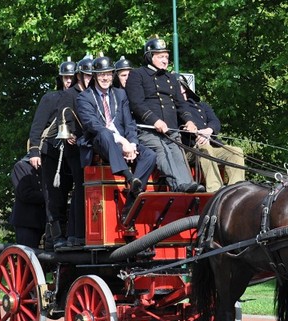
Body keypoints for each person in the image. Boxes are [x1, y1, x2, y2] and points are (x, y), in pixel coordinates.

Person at [77, 55, 156, 221]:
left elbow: (129, 123)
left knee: (150, 155)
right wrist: (122, 141)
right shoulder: (84, 97)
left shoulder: (120, 95)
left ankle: (133, 198)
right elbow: (93, 125)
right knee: (105, 133)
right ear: (95, 76)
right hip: (99, 143)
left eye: (108, 74)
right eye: (101, 74)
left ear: (112, 75)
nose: (105, 78)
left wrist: (132, 144)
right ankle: (129, 176)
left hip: (124, 142)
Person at [125, 37, 205, 193]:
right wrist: (155, 121)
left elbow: (181, 104)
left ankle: (189, 187)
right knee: (163, 151)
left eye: (166, 57)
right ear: (150, 56)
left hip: (171, 130)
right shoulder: (137, 75)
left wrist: (189, 121)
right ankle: (178, 186)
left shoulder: (171, 78)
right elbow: (137, 104)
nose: (165, 60)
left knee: (177, 152)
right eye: (160, 56)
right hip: (148, 131)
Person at [27, 57, 77, 249]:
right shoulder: (50, 98)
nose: (69, 81)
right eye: (65, 78)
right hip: (52, 154)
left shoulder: (82, 98)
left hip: (74, 154)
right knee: (55, 197)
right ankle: (56, 237)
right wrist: (34, 152)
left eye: (72, 77)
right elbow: (38, 126)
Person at [53, 55, 94, 247]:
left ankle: (84, 232)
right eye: (86, 76)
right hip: (74, 147)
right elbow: (64, 116)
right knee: (81, 186)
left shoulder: (94, 93)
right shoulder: (70, 94)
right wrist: (69, 133)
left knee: (88, 188)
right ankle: (76, 234)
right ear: (79, 76)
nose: (89, 79)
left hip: (90, 145)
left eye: (91, 76)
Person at [178, 76, 245, 192]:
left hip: (212, 145)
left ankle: (236, 191)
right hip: (190, 149)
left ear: (185, 89)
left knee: (236, 152)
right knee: (205, 148)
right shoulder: (173, 108)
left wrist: (208, 131)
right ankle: (215, 190)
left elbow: (215, 122)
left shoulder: (202, 106)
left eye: (182, 90)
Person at [9, 154, 47, 249]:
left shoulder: (47, 167)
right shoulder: (21, 166)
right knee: (27, 254)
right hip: (27, 222)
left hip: (44, 221)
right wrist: (49, 197)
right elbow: (25, 194)